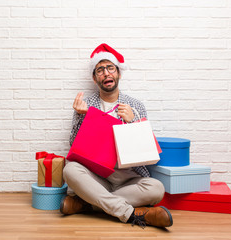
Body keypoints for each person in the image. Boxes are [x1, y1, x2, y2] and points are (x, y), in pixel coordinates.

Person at [60, 43, 173, 228]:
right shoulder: (86, 104)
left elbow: (145, 151)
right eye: (100, 70)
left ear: (118, 73)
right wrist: (82, 118)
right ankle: (130, 213)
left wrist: (132, 121)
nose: (106, 73)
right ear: (95, 79)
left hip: (128, 178)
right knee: (69, 170)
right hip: (97, 176)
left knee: (157, 188)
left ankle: (87, 204)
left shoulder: (135, 105)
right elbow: (74, 145)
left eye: (110, 68)